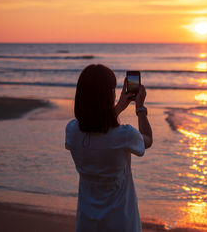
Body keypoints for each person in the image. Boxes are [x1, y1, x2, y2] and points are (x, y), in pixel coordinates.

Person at [65, 64, 152, 232]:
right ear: (109, 95)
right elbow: (147, 140)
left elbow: (97, 127)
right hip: (121, 222)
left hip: (87, 222)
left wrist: (119, 107)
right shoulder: (124, 135)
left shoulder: (72, 131)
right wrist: (140, 108)